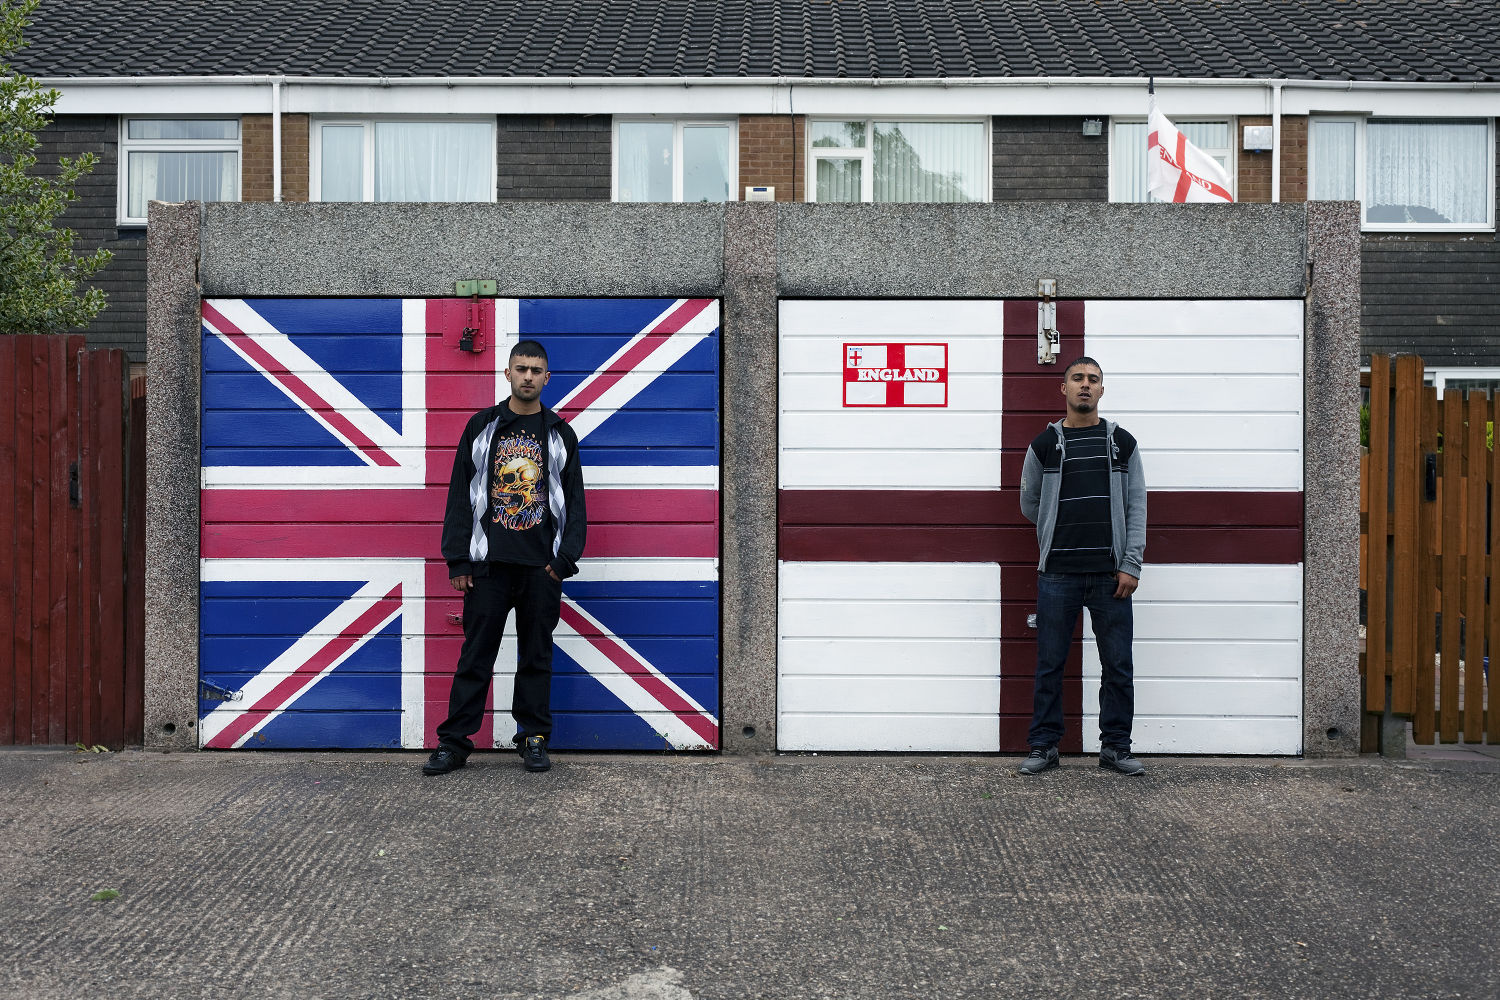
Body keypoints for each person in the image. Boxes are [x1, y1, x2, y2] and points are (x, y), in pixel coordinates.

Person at [423, 339, 586, 776]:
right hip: (487, 569)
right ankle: (454, 743)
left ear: (547, 378)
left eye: (536, 370)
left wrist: (563, 561)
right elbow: (460, 495)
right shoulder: (483, 427)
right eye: (521, 368)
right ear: (508, 374)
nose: (528, 376)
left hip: (541, 569)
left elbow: (575, 501)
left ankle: (533, 739)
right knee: (475, 656)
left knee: (537, 656)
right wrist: (458, 560)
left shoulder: (559, 434)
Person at [1017, 356, 1146, 777]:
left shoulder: (1121, 443)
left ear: (1102, 390)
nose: (1085, 385)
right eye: (1077, 378)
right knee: (1050, 663)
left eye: (1093, 379)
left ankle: (1115, 747)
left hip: (1111, 576)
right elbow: (1029, 502)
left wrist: (1131, 563)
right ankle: (1044, 746)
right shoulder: (1044, 445)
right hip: (1057, 572)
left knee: (1118, 666)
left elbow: (1137, 506)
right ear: (1064, 388)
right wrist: (1058, 527)